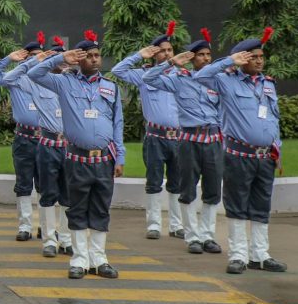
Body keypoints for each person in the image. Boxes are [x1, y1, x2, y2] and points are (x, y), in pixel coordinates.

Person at [29, 30, 124, 280]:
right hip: (77, 159)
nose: (94, 59)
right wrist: (60, 60)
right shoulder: (64, 81)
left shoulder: (110, 87)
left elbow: (117, 125)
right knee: (77, 208)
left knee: (101, 209)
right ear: (78, 59)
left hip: (104, 159)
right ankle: (80, 260)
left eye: (97, 55)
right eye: (88, 55)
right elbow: (33, 73)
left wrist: (121, 157)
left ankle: (99, 259)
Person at [193, 28, 286, 274]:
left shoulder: (268, 83)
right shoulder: (225, 80)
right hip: (239, 156)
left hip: (266, 156)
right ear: (241, 59)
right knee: (236, 206)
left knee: (261, 206)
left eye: (260, 57)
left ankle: (260, 255)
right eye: (252, 56)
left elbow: (273, 120)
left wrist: (278, 150)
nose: (258, 60)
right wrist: (229, 62)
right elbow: (200, 76)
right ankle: (238, 256)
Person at [143, 29, 223, 255]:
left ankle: (208, 235)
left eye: (208, 55)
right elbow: (148, 78)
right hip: (189, 140)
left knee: (212, 189)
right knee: (187, 188)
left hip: (213, 139)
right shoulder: (179, 79)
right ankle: (192, 236)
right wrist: (172, 62)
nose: (206, 59)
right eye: (201, 55)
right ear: (191, 58)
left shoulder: (219, 80)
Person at [111, 22, 184, 240]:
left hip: (179, 137)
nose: (167, 53)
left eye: (170, 50)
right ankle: (153, 224)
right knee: (154, 180)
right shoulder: (144, 74)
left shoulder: (181, 75)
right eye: (162, 50)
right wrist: (138, 55)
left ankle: (176, 224)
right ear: (153, 53)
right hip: (155, 136)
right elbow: (117, 71)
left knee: (177, 182)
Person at [3, 36, 74, 257]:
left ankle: (61, 235)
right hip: (30, 138)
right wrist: (33, 62)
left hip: (63, 142)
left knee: (63, 191)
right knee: (26, 184)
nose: (57, 62)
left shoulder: (69, 81)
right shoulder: (27, 80)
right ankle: (27, 226)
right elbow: (0, 78)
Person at [0, 33, 44, 243]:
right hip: (24, 137)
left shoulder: (49, 79)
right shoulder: (15, 79)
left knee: (46, 184)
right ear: (25, 58)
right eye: (32, 56)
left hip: (47, 139)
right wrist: (9, 59)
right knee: (24, 183)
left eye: (40, 56)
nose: (37, 59)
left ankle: (46, 226)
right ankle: (25, 226)